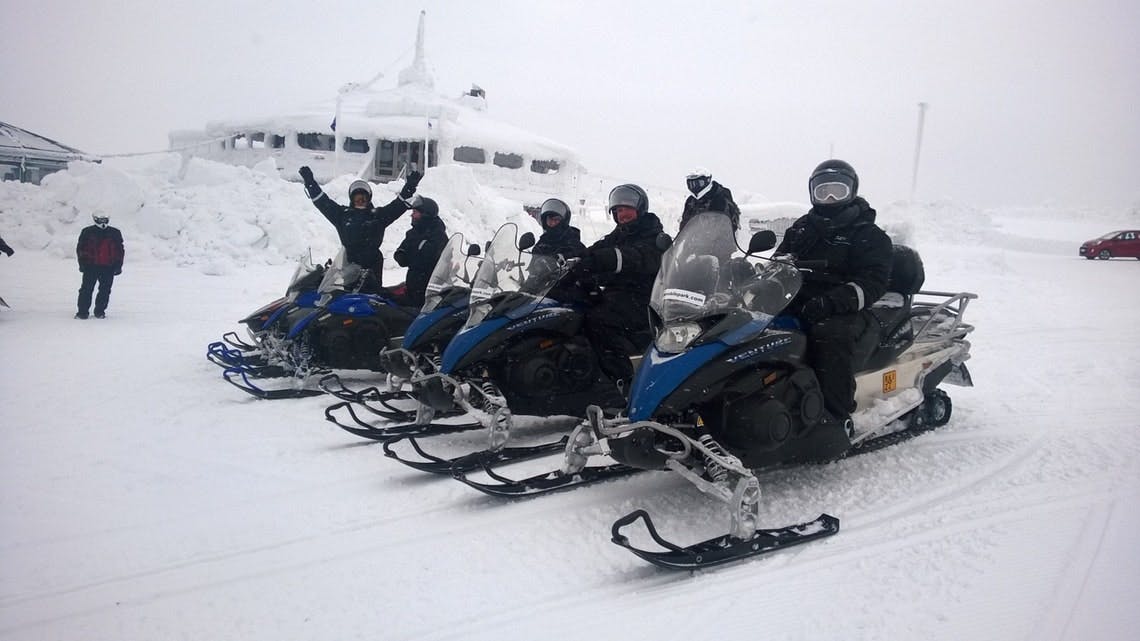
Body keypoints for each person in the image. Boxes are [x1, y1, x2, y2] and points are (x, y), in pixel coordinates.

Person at [775, 159, 893, 431]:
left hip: (847, 309)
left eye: (837, 191)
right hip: (800, 301)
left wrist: (831, 301)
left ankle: (835, 417)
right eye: (823, 191)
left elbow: (873, 281)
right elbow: (782, 260)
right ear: (812, 192)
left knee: (829, 336)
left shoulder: (868, 234)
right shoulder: (802, 228)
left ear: (851, 192)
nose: (829, 197)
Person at [570, 184, 666, 393]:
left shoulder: (653, 234)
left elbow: (637, 256)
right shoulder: (619, 234)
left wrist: (606, 259)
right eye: (618, 211)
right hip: (617, 294)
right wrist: (574, 257)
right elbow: (596, 250)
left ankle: (624, 381)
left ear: (640, 209)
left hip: (644, 298)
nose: (622, 215)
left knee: (598, 320)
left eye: (626, 209)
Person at [298, 166, 422, 291]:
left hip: (372, 266)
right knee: (346, 298)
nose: (360, 201)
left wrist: (409, 187)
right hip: (349, 264)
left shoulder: (378, 216)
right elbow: (322, 202)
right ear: (351, 199)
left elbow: (398, 205)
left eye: (363, 198)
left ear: (369, 198)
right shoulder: (342, 215)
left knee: (371, 299)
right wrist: (310, 182)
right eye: (357, 198)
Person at [392, 196, 448, 308]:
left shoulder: (438, 235)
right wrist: (404, 254)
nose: (412, 215)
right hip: (413, 286)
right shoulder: (412, 233)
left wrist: (413, 255)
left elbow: (430, 259)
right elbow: (401, 255)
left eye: (415, 212)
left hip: (429, 291)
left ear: (425, 215)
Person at [75, 213, 125, 319]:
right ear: (95, 220)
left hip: (108, 267)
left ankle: (100, 311)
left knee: (105, 290)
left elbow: (120, 251)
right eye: (100, 220)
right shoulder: (87, 232)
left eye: (105, 220)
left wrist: (118, 265)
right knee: (86, 289)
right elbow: (80, 249)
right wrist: (82, 264)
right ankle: (82, 312)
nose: (103, 223)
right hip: (91, 267)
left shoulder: (115, 233)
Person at [678, 168, 742, 233]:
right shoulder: (690, 201)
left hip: (720, 239)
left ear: (707, 181)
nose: (695, 187)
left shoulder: (720, 197)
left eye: (699, 183)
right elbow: (684, 224)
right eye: (691, 184)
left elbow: (728, 223)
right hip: (694, 241)